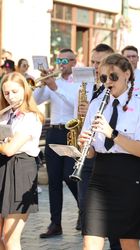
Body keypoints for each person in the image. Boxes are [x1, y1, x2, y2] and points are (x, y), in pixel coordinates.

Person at [79, 53, 140, 250]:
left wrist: (112, 133)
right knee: (90, 242)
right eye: (103, 78)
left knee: (128, 243)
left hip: (130, 178)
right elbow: (91, 153)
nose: (107, 82)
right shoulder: (96, 104)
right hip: (100, 177)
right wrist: (83, 145)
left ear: (127, 74)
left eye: (113, 76)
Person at [34, 48, 79, 238]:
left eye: (64, 61)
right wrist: (43, 84)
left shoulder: (79, 83)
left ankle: (84, 210)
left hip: (70, 133)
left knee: (69, 176)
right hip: (53, 132)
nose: (60, 65)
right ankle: (55, 223)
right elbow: (35, 100)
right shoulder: (54, 82)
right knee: (53, 179)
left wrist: (55, 88)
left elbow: (74, 106)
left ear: (73, 62)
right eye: (58, 61)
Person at [0, 72, 44, 249]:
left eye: (15, 92)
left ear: (25, 91)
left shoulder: (31, 118)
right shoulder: (4, 115)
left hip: (20, 172)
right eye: (6, 93)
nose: (10, 97)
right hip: (2, 169)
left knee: (9, 239)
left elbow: (10, 149)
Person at [75, 43, 114, 232]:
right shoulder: (90, 85)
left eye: (99, 62)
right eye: (93, 62)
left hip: (109, 154)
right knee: (85, 203)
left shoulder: (118, 90)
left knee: (109, 208)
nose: (95, 66)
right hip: (89, 151)